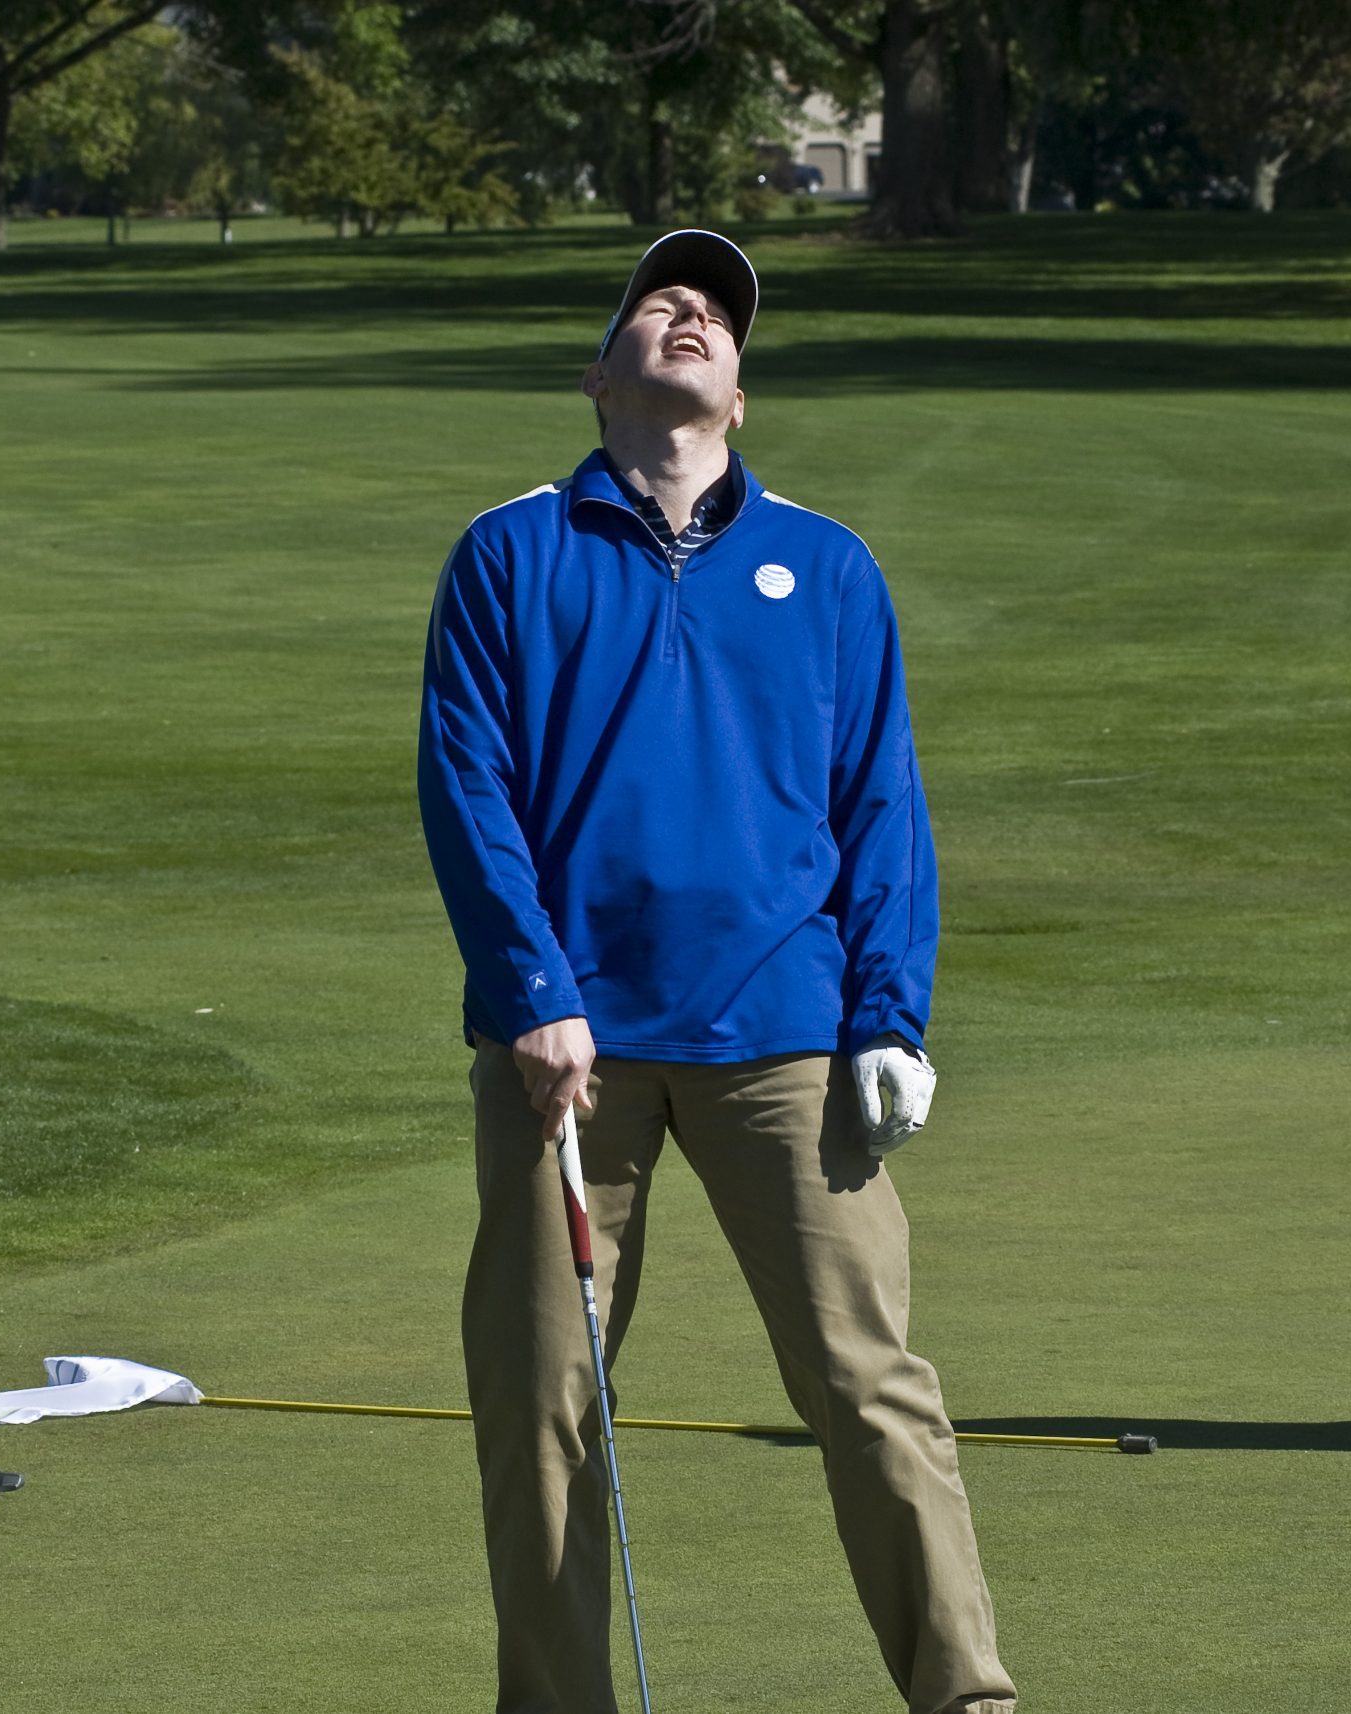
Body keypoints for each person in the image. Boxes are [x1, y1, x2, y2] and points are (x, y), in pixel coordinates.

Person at [418, 230, 1015, 1713]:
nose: (690, 316)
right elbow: (468, 788)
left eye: (717, 316)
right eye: (659, 303)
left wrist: (890, 1016)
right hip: (569, 1055)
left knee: (869, 1384)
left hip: (785, 1033)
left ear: (738, 395)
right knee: (540, 1398)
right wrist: (533, 993)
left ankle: (967, 1698)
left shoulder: (828, 564)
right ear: (598, 373)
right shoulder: (512, 551)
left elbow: (881, 804)